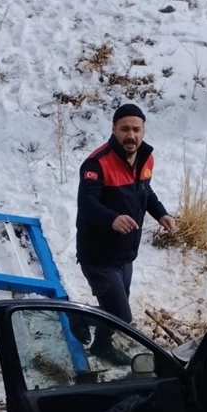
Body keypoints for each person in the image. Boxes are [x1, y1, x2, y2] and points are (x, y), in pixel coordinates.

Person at [74, 102, 177, 365]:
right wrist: (112, 218)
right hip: (98, 254)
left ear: (143, 131)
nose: (131, 135)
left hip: (125, 253)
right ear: (114, 129)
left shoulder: (145, 158)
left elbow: (145, 192)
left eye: (136, 129)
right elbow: (87, 203)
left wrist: (161, 214)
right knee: (121, 315)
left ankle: (101, 346)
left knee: (115, 310)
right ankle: (76, 315)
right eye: (125, 129)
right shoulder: (97, 163)